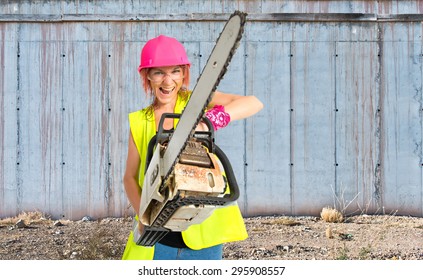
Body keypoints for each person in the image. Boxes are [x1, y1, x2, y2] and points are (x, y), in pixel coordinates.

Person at [122, 35, 264, 260]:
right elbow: (129, 177)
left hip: (203, 233)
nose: (168, 81)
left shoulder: (196, 102)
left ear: (183, 73)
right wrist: (144, 215)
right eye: (159, 72)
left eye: (175, 71)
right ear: (147, 75)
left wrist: (212, 119)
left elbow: (254, 102)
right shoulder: (138, 121)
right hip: (159, 236)